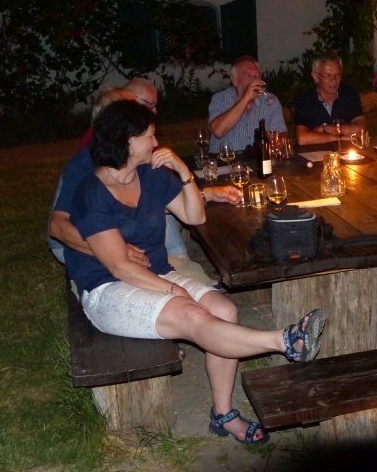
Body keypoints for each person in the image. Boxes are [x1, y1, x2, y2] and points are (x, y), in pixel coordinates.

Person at [65, 100, 326, 443]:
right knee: (190, 312)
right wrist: (175, 291)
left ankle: (223, 413)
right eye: (149, 135)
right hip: (107, 287)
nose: (156, 142)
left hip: (156, 272)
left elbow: (195, 216)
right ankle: (284, 341)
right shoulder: (92, 192)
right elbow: (120, 266)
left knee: (224, 309)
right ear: (128, 141)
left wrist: (182, 170)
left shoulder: (150, 175)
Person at [49, 91, 242, 266]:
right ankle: (181, 269)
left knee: (158, 218)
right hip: (80, 242)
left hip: (123, 232)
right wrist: (118, 250)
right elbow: (58, 227)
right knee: (159, 224)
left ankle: (185, 269)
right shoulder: (85, 165)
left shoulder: (138, 163)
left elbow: (154, 200)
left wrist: (205, 192)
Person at [209, 56, 288, 152]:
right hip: (227, 160)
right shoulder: (221, 98)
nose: (254, 80)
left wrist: (275, 145)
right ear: (234, 80)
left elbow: (282, 133)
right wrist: (246, 98)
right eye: (248, 75)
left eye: (257, 75)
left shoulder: (269, 100)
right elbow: (218, 131)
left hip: (260, 159)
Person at [294, 52, 367, 145]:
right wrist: (340, 137)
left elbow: (361, 129)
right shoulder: (305, 99)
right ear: (315, 77)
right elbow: (303, 138)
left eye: (337, 74)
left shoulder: (348, 93)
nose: (334, 80)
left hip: (347, 151)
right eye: (327, 75)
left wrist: (324, 129)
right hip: (318, 153)